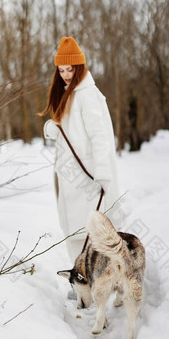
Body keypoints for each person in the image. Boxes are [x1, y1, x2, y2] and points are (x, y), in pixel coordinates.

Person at [40, 36, 121, 263]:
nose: (66, 74)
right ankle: (81, 281)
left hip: (86, 175)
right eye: (61, 70)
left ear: (79, 66)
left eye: (70, 69)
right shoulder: (69, 92)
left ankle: (98, 280)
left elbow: (100, 135)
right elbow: (73, 130)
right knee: (74, 231)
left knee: (92, 232)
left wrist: (102, 172)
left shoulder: (86, 94)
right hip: (68, 174)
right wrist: (56, 129)